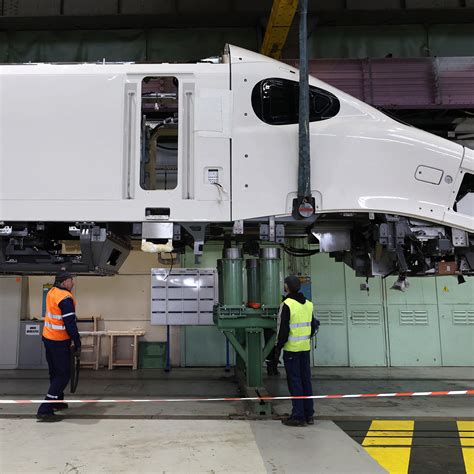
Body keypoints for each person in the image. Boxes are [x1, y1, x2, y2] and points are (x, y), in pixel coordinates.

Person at [274, 275, 319, 427]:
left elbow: (283, 330)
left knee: (295, 382)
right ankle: (309, 414)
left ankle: (298, 416)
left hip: (292, 351)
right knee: (306, 381)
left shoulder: (287, 304)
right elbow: (313, 326)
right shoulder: (309, 304)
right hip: (304, 349)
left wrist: (278, 348)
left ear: (287, 287)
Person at [36, 271, 81, 422]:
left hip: (48, 337)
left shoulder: (52, 292)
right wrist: (77, 341)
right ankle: (45, 409)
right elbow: (69, 323)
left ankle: (57, 401)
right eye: (71, 280)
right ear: (64, 282)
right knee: (63, 375)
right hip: (59, 341)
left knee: (55, 371)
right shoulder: (65, 298)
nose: (73, 283)